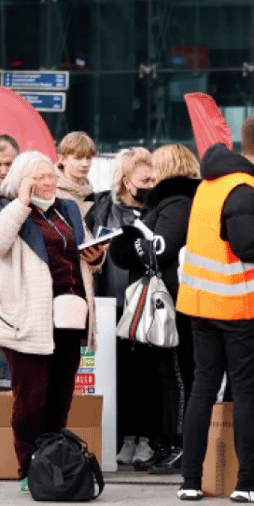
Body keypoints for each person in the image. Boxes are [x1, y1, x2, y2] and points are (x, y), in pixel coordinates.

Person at [176, 114, 254, 503]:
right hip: (239, 307)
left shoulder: (211, 184)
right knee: (245, 393)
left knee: (202, 389)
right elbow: (248, 247)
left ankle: (190, 479)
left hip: (201, 304)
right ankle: (247, 480)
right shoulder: (246, 189)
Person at [0, 152, 105, 491]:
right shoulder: (4, 210)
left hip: (69, 315)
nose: (48, 183)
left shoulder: (68, 209)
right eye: (38, 178)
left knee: (61, 394)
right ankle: (28, 467)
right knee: (31, 398)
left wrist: (96, 258)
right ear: (21, 181)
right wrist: (21, 203)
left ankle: (53, 460)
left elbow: (81, 251)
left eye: (50, 176)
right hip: (27, 319)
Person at [108, 143, 202, 474]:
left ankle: (177, 443)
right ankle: (168, 442)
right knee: (169, 374)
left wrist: (130, 239)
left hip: (174, 299)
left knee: (177, 374)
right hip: (169, 298)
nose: (150, 177)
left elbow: (158, 248)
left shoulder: (177, 202)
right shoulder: (175, 201)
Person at [88, 147, 161, 468]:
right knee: (120, 373)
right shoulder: (104, 208)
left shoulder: (159, 209)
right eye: (145, 179)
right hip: (113, 301)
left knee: (148, 374)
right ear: (125, 180)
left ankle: (145, 438)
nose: (151, 184)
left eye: (155, 178)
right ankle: (123, 437)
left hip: (148, 301)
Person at [55, 131, 99, 218]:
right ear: (62, 159)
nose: (85, 164)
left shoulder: (92, 196)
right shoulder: (50, 193)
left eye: (88, 158)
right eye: (78, 158)